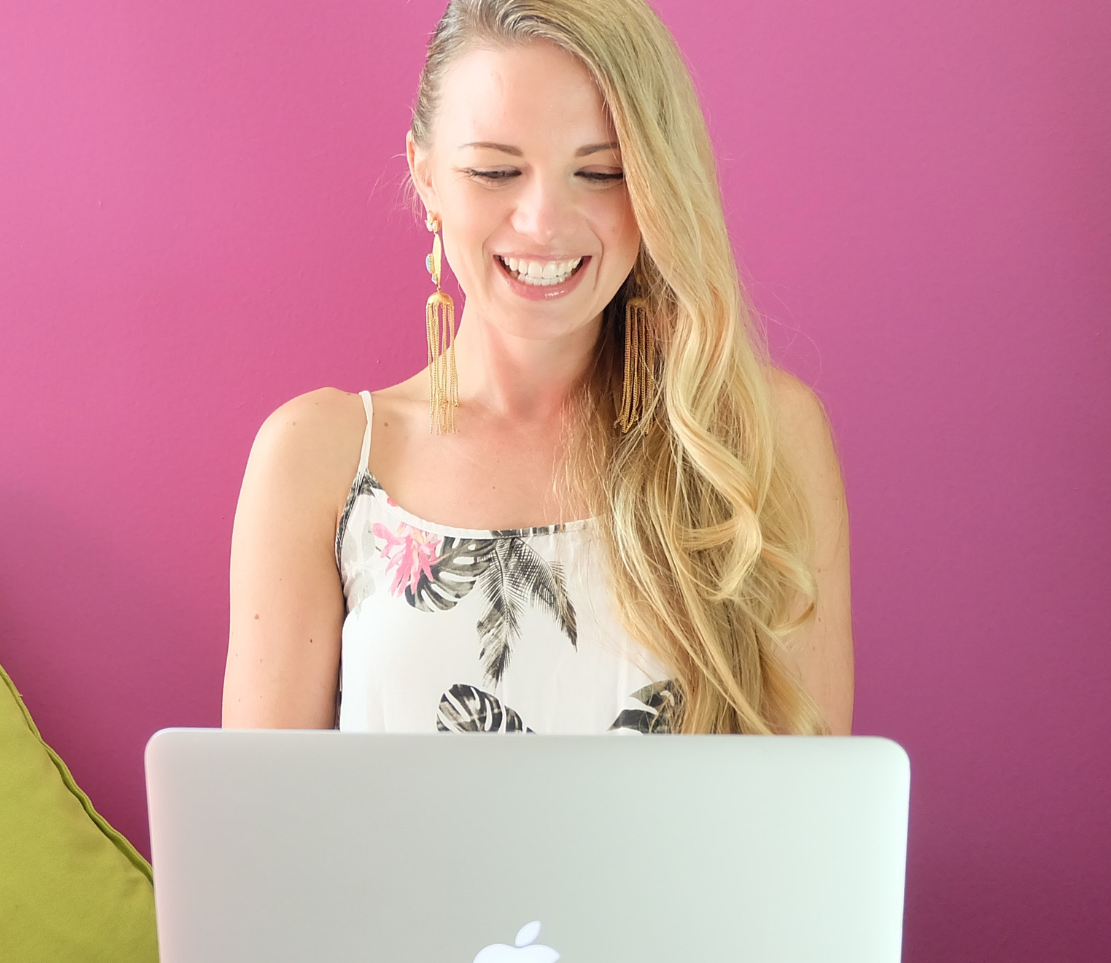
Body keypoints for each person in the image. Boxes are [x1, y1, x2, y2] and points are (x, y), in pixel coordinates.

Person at [224, 0, 852, 736]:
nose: (544, 222)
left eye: (601, 172)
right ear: (426, 176)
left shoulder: (757, 438)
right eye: (495, 171)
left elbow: (810, 794)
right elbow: (258, 805)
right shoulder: (319, 456)